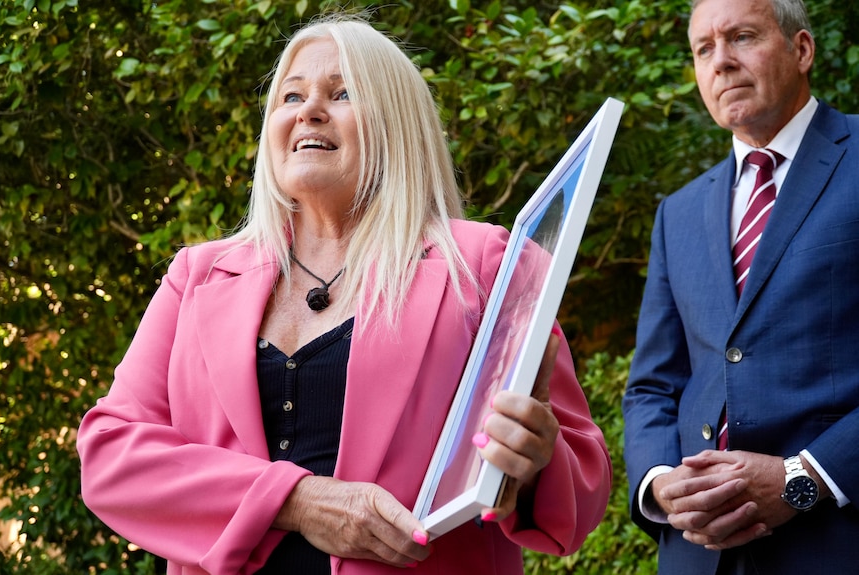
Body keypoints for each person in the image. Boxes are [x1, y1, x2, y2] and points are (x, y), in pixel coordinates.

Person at [76, 14, 611, 575]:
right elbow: (111, 455)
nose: (308, 110)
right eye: (291, 95)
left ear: (396, 124)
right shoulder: (197, 275)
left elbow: (584, 485)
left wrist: (533, 462)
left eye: (342, 92)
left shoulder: (487, 264)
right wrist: (296, 502)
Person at [622, 0, 859, 572]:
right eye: (704, 49)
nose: (721, 62)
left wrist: (806, 479)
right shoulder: (676, 214)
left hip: (834, 541)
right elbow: (652, 386)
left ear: (802, 50)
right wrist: (659, 484)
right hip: (697, 556)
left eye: (742, 37)